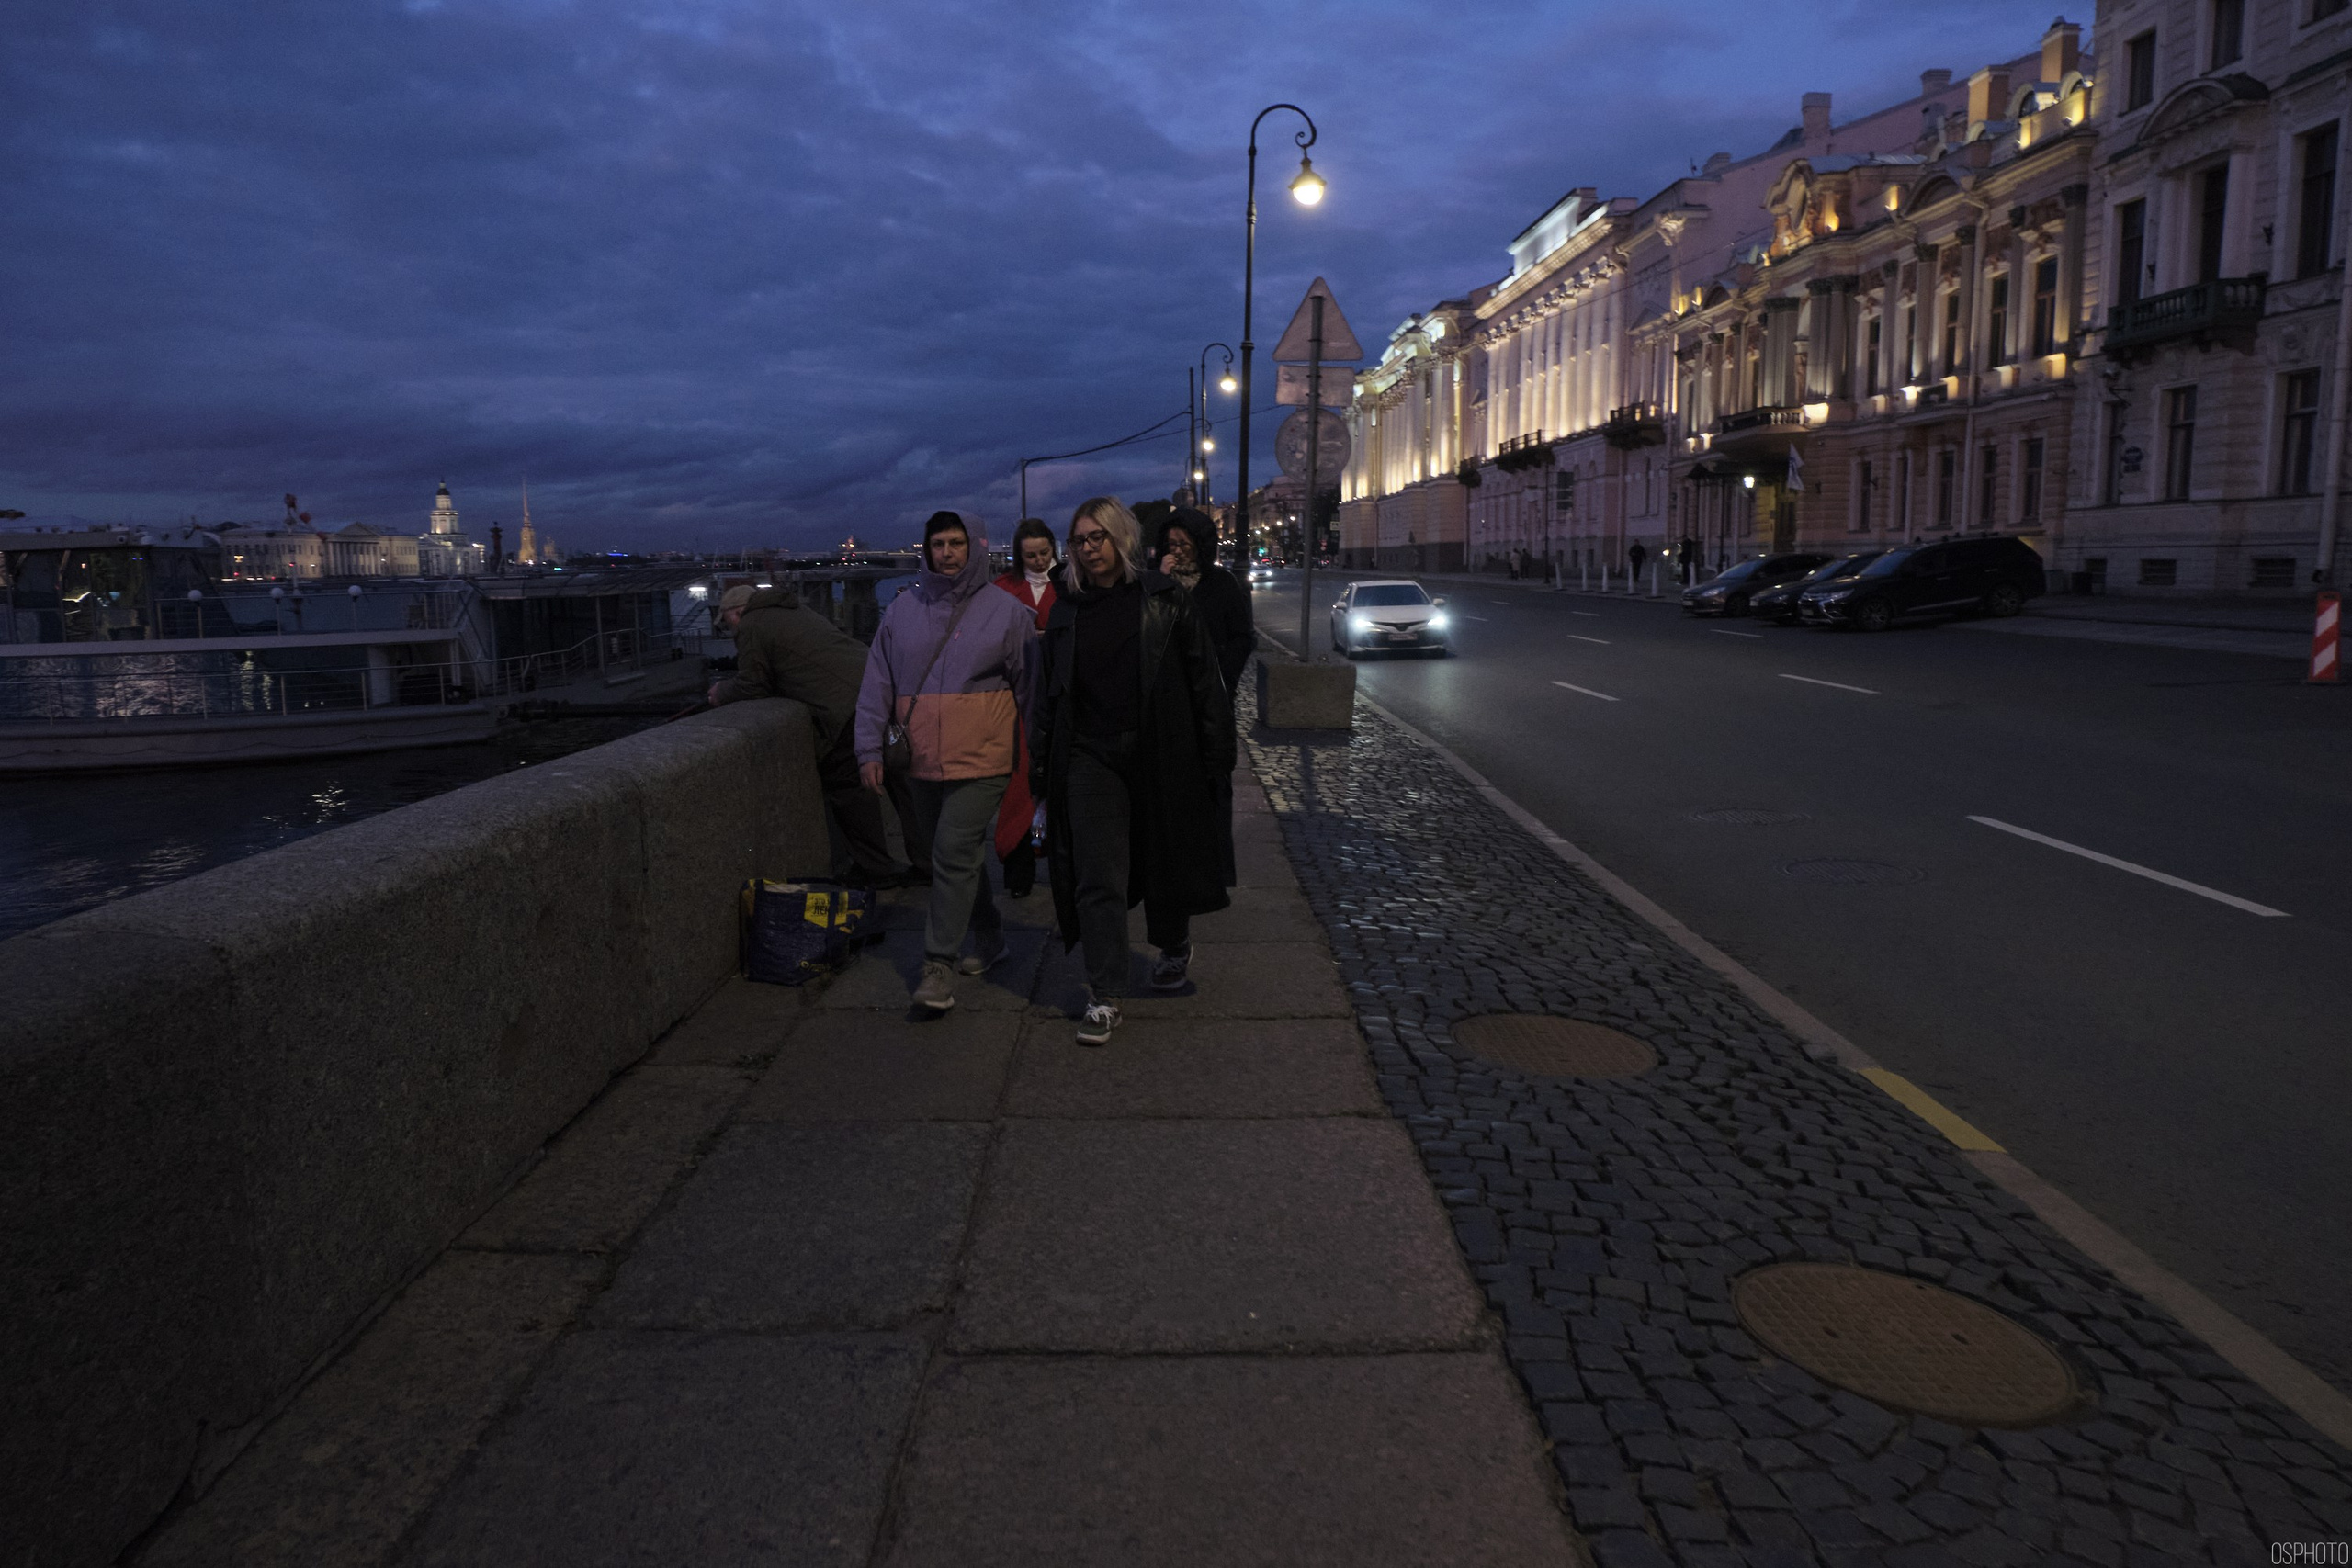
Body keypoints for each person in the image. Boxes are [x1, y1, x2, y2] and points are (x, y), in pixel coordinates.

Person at [1032, 497, 1234, 1047]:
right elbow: (1047, 699)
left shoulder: (1165, 599)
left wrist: (1218, 757)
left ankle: (1173, 944)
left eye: (1098, 536)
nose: (1088, 547)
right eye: (1079, 539)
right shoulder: (1067, 610)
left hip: (1161, 749)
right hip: (1089, 756)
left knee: (1164, 857)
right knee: (1099, 876)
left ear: (1121, 537)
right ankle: (1104, 993)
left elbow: (1204, 680)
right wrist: (1041, 771)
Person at [854, 511, 1036, 1014]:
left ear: (973, 547)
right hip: (923, 759)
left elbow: (1032, 691)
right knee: (951, 855)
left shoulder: (1006, 612)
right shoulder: (902, 611)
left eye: (956, 543)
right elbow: (878, 683)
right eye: (938, 544)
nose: (947, 553)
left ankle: (937, 965)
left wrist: (1040, 758)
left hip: (984, 757)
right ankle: (991, 935)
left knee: (953, 852)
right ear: (926, 550)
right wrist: (868, 748)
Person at [707, 581, 905, 886]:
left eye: (728, 620)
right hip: (872, 686)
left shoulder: (753, 624)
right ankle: (926, 860)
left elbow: (753, 684)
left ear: (738, 612)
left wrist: (721, 690)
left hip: (842, 706)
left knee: (848, 787)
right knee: (898, 778)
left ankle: (876, 869)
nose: (729, 629)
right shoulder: (795, 609)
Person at [990, 519, 1059, 897]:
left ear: (1054, 548)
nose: (1037, 561)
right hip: (1016, 702)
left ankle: (1058, 860)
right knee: (1017, 790)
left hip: (1060, 699)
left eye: (1043, 553)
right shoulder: (1004, 587)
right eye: (1030, 555)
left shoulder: (1069, 585)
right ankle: (1019, 870)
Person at [1149, 506, 1254, 694]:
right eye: (1172, 544)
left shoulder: (1222, 583)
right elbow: (1152, 626)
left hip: (1211, 688)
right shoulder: (1157, 581)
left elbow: (1242, 637)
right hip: (1169, 689)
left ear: (1199, 545)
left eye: (1184, 544)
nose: (1178, 551)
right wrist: (1163, 580)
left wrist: (1225, 680)